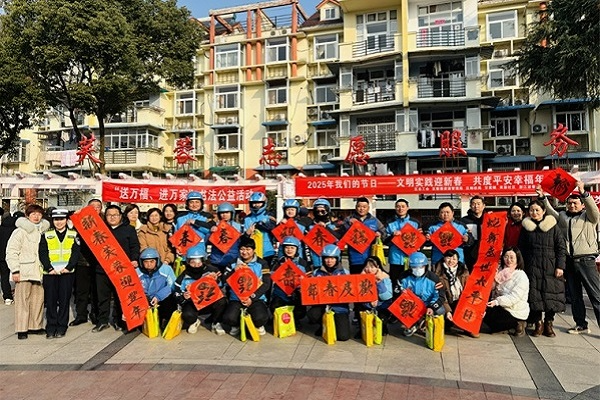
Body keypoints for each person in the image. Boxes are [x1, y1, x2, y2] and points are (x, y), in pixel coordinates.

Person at [538, 182, 600, 334]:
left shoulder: (589, 217)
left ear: (582, 205)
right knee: (575, 295)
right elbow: (551, 212)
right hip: (569, 261)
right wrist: (542, 197)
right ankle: (581, 324)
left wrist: (584, 193)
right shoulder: (563, 217)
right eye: (569, 203)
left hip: (586, 260)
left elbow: (593, 209)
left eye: (575, 203)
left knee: (596, 295)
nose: (572, 205)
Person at [518, 200, 566, 337]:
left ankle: (549, 323)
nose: (534, 213)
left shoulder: (553, 226)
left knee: (552, 295)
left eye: (537, 210)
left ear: (544, 211)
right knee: (534, 295)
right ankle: (538, 323)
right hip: (532, 266)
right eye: (531, 210)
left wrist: (560, 266)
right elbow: (521, 249)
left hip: (551, 266)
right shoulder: (526, 227)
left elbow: (561, 248)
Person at [6, 204, 51, 340]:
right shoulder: (20, 232)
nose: (36, 217)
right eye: (33, 214)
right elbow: (11, 251)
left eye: (39, 214)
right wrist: (15, 270)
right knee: (22, 301)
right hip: (24, 270)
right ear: (27, 216)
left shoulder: (44, 231)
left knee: (38, 300)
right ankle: (22, 328)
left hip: (39, 271)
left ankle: (35, 326)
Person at [93, 205, 140, 333]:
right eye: (109, 215)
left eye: (115, 215)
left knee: (121, 297)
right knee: (102, 296)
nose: (112, 217)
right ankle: (102, 321)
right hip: (102, 269)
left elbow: (135, 246)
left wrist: (134, 259)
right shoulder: (100, 230)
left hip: (121, 269)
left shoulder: (129, 229)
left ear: (120, 216)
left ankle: (119, 321)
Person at [38, 209, 80, 339]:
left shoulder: (73, 234)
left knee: (64, 300)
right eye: (56, 220)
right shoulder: (46, 234)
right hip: (50, 273)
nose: (59, 222)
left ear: (66, 220)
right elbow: (42, 253)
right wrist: (49, 268)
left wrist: (69, 267)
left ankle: (62, 326)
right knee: (50, 301)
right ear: (53, 221)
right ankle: (51, 327)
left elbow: (75, 253)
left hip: (67, 273)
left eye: (61, 219)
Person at [222, 236, 271, 336]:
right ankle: (237, 325)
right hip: (236, 298)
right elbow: (223, 280)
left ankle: (257, 325)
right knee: (229, 318)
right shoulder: (232, 263)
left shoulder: (262, 263)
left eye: (248, 249)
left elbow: (266, 284)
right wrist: (233, 271)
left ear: (253, 250)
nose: (245, 252)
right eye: (242, 249)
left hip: (256, 298)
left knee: (260, 318)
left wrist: (252, 298)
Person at [174, 246, 228, 335]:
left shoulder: (212, 271)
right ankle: (194, 321)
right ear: (188, 262)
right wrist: (184, 296)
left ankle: (216, 322)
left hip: (209, 301)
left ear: (203, 261)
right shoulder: (182, 277)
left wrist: (216, 280)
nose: (196, 265)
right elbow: (176, 294)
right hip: (193, 304)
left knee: (222, 301)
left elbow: (222, 286)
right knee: (187, 315)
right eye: (193, 262)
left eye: (199, 262)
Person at [306, 244, 351, 341]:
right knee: (313, 314)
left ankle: (337, 323)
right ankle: (323, 325)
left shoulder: (345, 273)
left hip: (339, 307)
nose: (329, 261)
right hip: (322, 305)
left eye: (332, 258)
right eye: (326, 258)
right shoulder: (316, 272)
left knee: (343, 337)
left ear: (337, 258)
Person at [482, 247, 529, 336]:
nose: (508, 260)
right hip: (500, 306)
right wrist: (493, 279)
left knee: (489, 314)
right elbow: (490, 289)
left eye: (512, 257)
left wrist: (497, 301)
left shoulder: (521, 276)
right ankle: (501, 327)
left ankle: (518, 324)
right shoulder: (500, 270)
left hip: (514, 310)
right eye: (506, 256)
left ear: (517, 259)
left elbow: (514, 297)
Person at [399, 252, 445, 336]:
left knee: (440, 310)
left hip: (427, 304)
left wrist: (431, 307)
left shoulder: (433, 278)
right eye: (414, 267)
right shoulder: (404, 277)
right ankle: (413, 324)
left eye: (421, 267)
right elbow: (397, 293)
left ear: (426, 266)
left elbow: (440, 296)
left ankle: (426, 323)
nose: (417, 269)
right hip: (411, 304)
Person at [70, 199, 101, 326]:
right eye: (92, 206)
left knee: (96, 291)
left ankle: (95, 314)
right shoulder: (80, 222)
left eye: (98, 207)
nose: (95, 209)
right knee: (81, 291)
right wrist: (77, 216)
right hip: (82, 262)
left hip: (98, 263)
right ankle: (81, 315)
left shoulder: (104, 223)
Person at [339, 197, 386, 275]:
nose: (361, 209)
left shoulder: (374, 221)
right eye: (359, 206)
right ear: (356, 207)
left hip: (370, 257)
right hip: (354, 257)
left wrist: (379, 234)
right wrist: (348, 225)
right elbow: (341, 234)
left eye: (364, 207)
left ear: (368, 208)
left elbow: (384, 234)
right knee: (356, 279)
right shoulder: (348, 220)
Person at [270, 236, 311, 324]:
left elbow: (309, 280)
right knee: (274, 307)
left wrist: (302, 283)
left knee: (300, 313)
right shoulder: (278, 262)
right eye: (287, 248)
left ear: (297, 249)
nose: (289, 250)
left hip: (297, 294)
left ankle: (295, 320)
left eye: (292, 248)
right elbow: (272, 277)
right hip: (281, 294)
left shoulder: (303, 263)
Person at [385, 198, 421, 291]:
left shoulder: (415, 223)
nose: (400, 209)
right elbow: (385, 241)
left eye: (403, 206)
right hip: (395, 258)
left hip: (411, 258)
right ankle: (395, 299)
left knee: (411, 282)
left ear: (408, 208)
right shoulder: (390, 223)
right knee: (395, 283)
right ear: (395, 208)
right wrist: (392, 236)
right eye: (398, 206)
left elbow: (421, 240)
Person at [136, 247, 177, 328]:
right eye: (146, 262)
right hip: (145, 298)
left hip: (162, 297)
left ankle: (165, 319)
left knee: (170, 299)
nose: (149, 264)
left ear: (157, 261)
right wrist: (144, 298)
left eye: (152, 261)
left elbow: (172, 286)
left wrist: (158, 296)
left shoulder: (166, 269)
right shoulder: (137, 272)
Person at [356, 256, 393, 337]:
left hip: (381, 305)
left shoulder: (385, 277)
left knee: (380, 330)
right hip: (367, 305)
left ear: (378, 267)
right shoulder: (361, 278)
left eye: (372, 267)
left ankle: (384, 326)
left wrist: (379, 283)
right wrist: (369, 302)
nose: (369, 269)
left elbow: (387, 296)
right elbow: (359, 295)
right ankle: (361, 327)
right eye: (367, 267)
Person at [432, 249, 469, 329]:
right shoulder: (438, 274)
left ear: (458, 260)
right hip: (446, 302)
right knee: (446, 323)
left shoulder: (464, 272)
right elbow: (440, 294)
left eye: (454, 259)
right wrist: (448, 311)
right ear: (444, 258)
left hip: (461, 301)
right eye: (448, 258)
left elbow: (469, 289)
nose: (451, 261)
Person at [174, 192, 214, 258]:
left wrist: (195, 222)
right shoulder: (180, 218)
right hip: (184, 251)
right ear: (187, 204)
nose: (194, 205)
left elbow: (211, 230)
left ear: (201, 203)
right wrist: (176, 247)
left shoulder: (207, 217)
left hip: (201, 251)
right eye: (191, 202)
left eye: (197, 202)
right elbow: (176, 234)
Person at [243, 192, 277, 266]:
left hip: (267, 251)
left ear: (264, 203)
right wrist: (247, 234)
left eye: (259, 203)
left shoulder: (269, 216)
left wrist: (261, 225)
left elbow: (274, 230)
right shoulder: (247, 218)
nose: (256, 205)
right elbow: (243, 237)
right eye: (254, 203)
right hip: (251, 252)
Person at [208, 202, 243, 273]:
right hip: (217, 259)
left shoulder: (238, 227)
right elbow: (207, 242)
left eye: (227, 213)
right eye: (222, 213)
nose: (224, 215)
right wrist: (210, 233)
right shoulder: (214, 226)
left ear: (231, 213)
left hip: (233, 259)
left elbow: (242, 243)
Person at [307, 199, 340, 271]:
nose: (320, 214)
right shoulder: (309, 226)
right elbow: (306, 244)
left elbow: (338, 240)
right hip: (315, 261)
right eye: (317, 211)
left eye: (323, 211)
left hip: (331, 262)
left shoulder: (334, 226)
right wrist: (309, 261)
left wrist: (326, 228)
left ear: (328, 211)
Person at [0, 210, 24, 305]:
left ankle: (7, 297)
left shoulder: (1, 228)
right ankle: (19, 295)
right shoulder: (17, 230)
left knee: (4, 276)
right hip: (16, 256)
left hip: (2, 257)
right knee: (19, 275)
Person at [461, 196, 486, 271]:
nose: (476, 206)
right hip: (469, 254)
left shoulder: (489, 219)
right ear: (470, 206)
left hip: (486, 253)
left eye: (478, 204)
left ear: (483, 206)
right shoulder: (464, 221)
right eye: (473, 204)